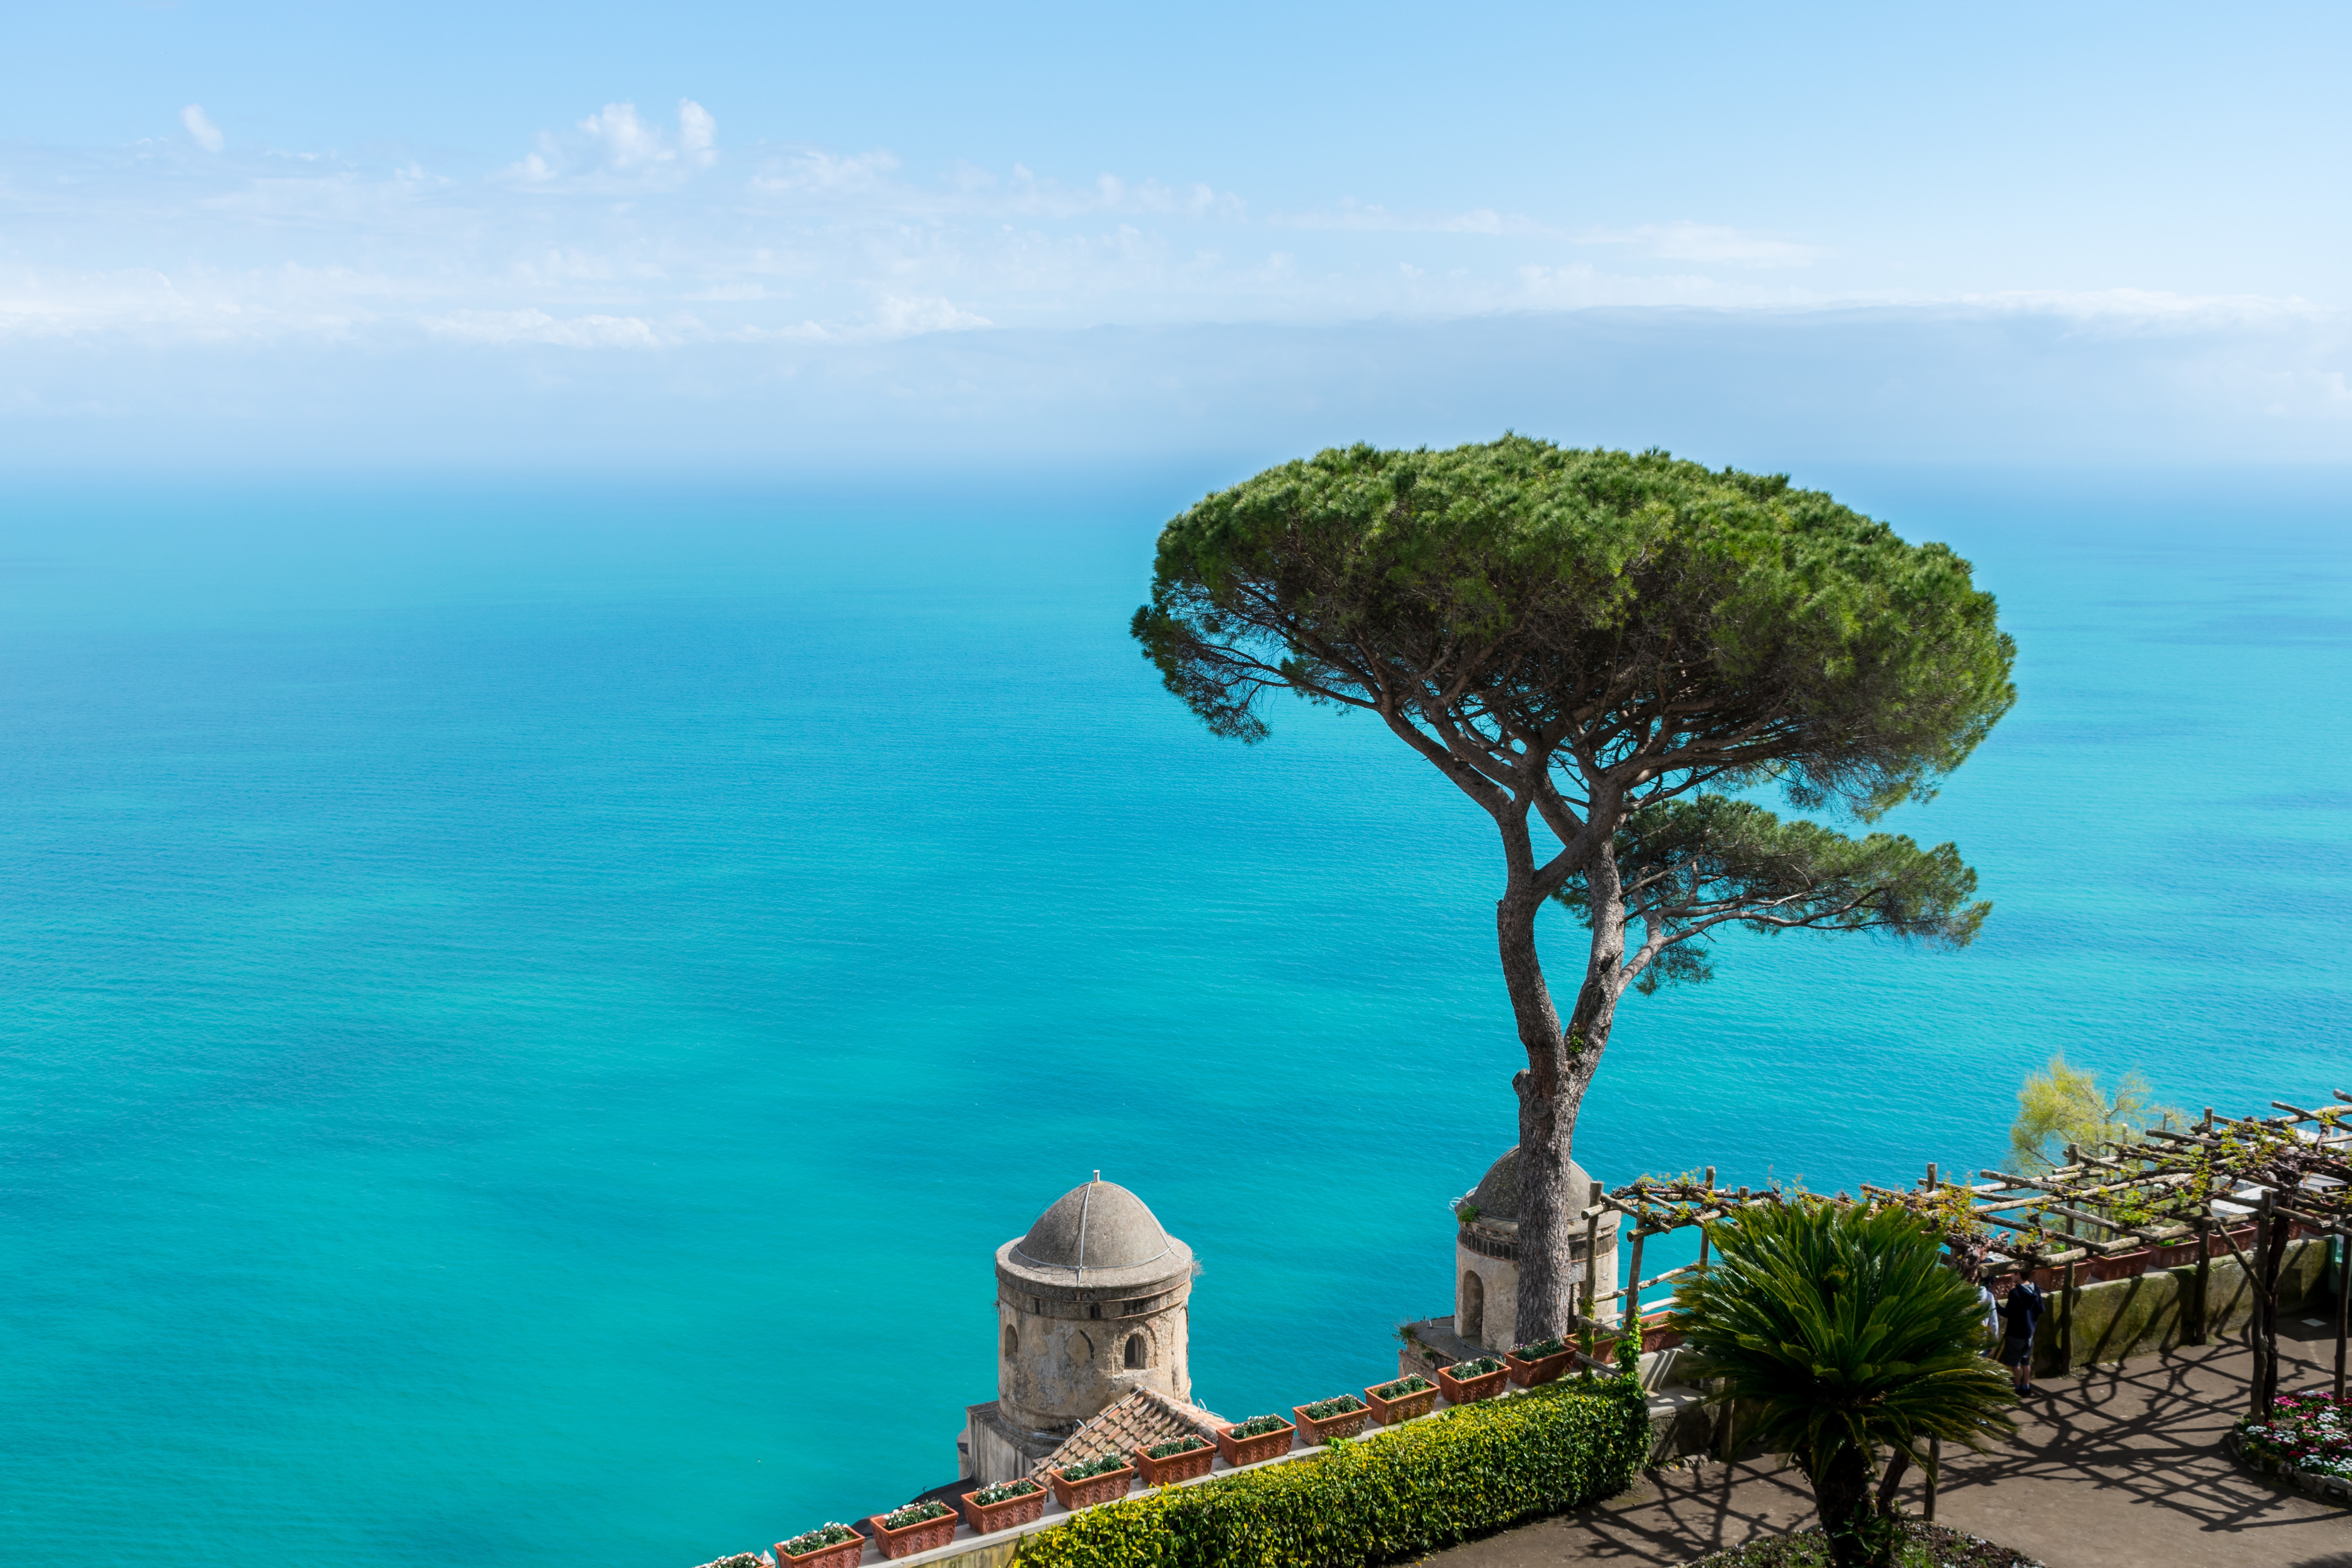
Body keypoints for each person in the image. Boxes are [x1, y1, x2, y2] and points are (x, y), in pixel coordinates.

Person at [2000, 1275, 2047, 1394]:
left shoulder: (2015, 1293)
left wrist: (1996, 1305)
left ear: (2018, 1275)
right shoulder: (2035, 1288)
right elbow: (2041, 1309)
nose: (2011, 1276)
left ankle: (2017, 1386)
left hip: (2016, 1334)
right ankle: (2026, 1387)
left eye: (2013, 1274)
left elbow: (2008, 1313)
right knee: (2026, 1362)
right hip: (2030, 1334)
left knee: (2015, 1363)